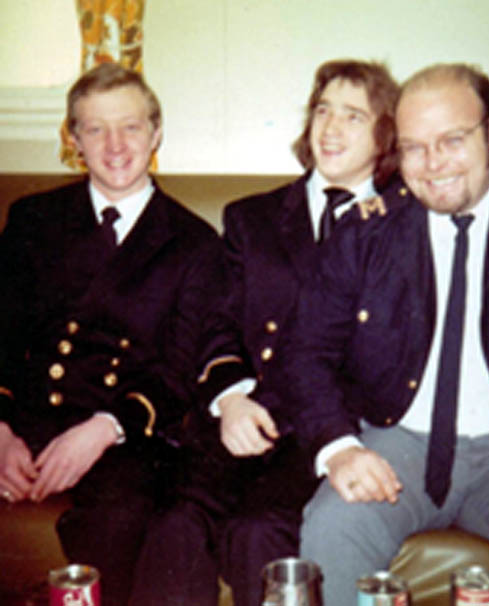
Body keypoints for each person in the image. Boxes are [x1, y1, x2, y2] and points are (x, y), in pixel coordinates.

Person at [282, 63, 489, 605]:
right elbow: (304, 352)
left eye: (452, 140)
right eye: (414, 148)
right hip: (397, 442)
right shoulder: (364, 232)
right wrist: (340, 449)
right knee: (333, 531)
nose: (433, 165)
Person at [128, 59, 400, 606]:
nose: (331, 128)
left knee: (260, 533)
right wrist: (229, 399)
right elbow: (217, 323)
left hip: (332, 432)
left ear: (384, 135)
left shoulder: (404, 226)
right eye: (322, 111)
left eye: (353, 116)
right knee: (176, 523)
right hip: (245, 416)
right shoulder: (252, 219)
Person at [0, 63, 249, 606]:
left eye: (131, 127)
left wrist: (103, 429)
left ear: (156, 133)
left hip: (124, 435)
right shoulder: (33, 219)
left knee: (124, 513)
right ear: (74, 139)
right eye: (96, 129)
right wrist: (0, 430)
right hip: (24, 420)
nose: (115, 146)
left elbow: (179, 372)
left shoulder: (194, 243)